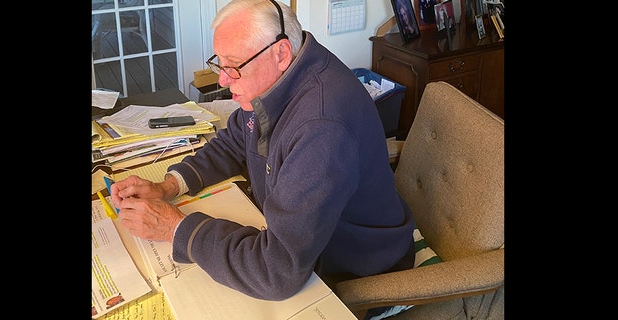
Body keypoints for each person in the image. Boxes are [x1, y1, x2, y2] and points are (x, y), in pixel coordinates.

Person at [111, 0, 417, 308]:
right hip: (300, 241)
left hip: (355, 269)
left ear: (281, 53)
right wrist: (168, 186)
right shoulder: (278, 77)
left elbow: (277, 271)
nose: (222, 80)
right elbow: (234, 140)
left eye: (233, 66)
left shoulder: (322, 128)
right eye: (221, 63)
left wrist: (175, 228)